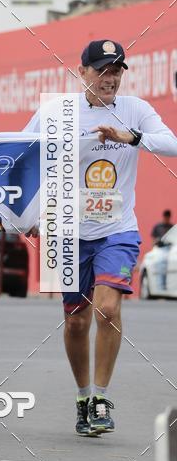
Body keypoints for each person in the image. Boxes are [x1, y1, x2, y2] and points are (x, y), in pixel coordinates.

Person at [25, 39, 177, 436]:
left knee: (107, 309)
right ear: (82, 72)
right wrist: (25, 214)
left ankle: (102, 397)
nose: (110, 78)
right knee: (76, 322)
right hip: (66, 233)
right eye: (102, 70)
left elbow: (172, 144)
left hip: (118, 230)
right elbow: (20, 154)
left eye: (116, 70)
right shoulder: (56, 112)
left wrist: (133, 138)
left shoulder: (135, 110)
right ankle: (82, 397)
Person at [151, 209, 173, 292]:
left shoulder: (171, 227)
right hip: (159, 249)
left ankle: (164, 288)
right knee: (159, 269)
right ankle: (160, 289)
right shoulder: (158, 226)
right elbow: (153, 240)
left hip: (170, 250)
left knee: (167, 270)